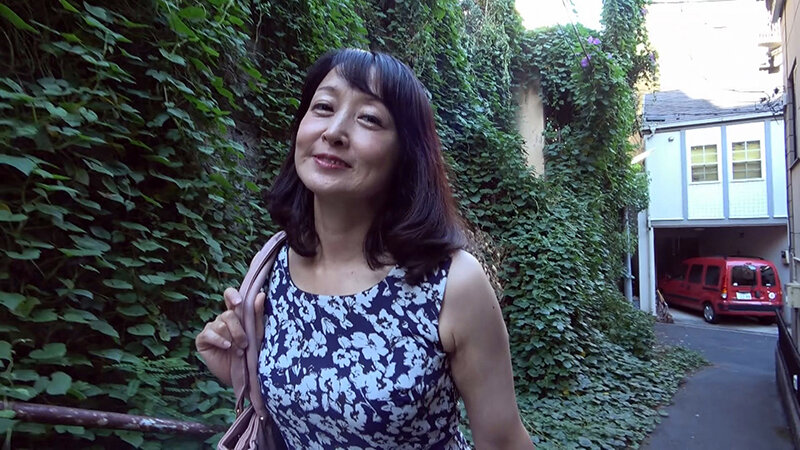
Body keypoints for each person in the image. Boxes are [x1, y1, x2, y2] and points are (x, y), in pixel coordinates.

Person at [196, 48, 535, 449]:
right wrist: (239, 369)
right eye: (323, 107)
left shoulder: (452, 283)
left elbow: (504, 441)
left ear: (406, 153)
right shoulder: (274, 265)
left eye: (369, 118)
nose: (334, 132)